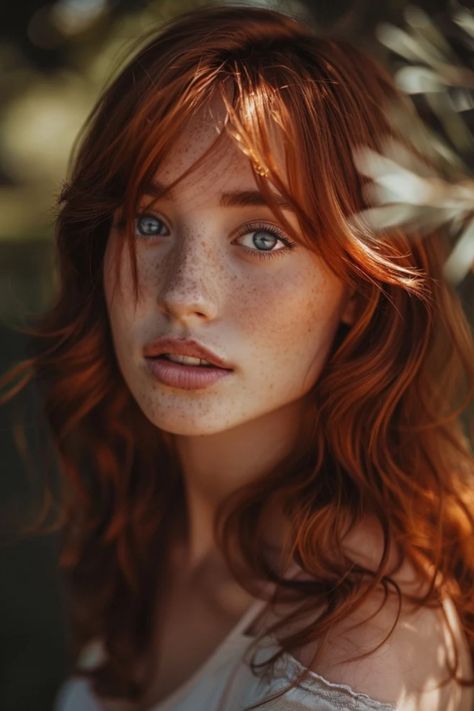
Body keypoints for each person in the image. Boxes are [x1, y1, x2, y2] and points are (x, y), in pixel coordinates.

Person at [2, 4, 473, 710]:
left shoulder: (359, 653)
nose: (185, 295)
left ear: (357, 285)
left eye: (261, 237)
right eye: (150, 221)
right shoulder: (149, 526)